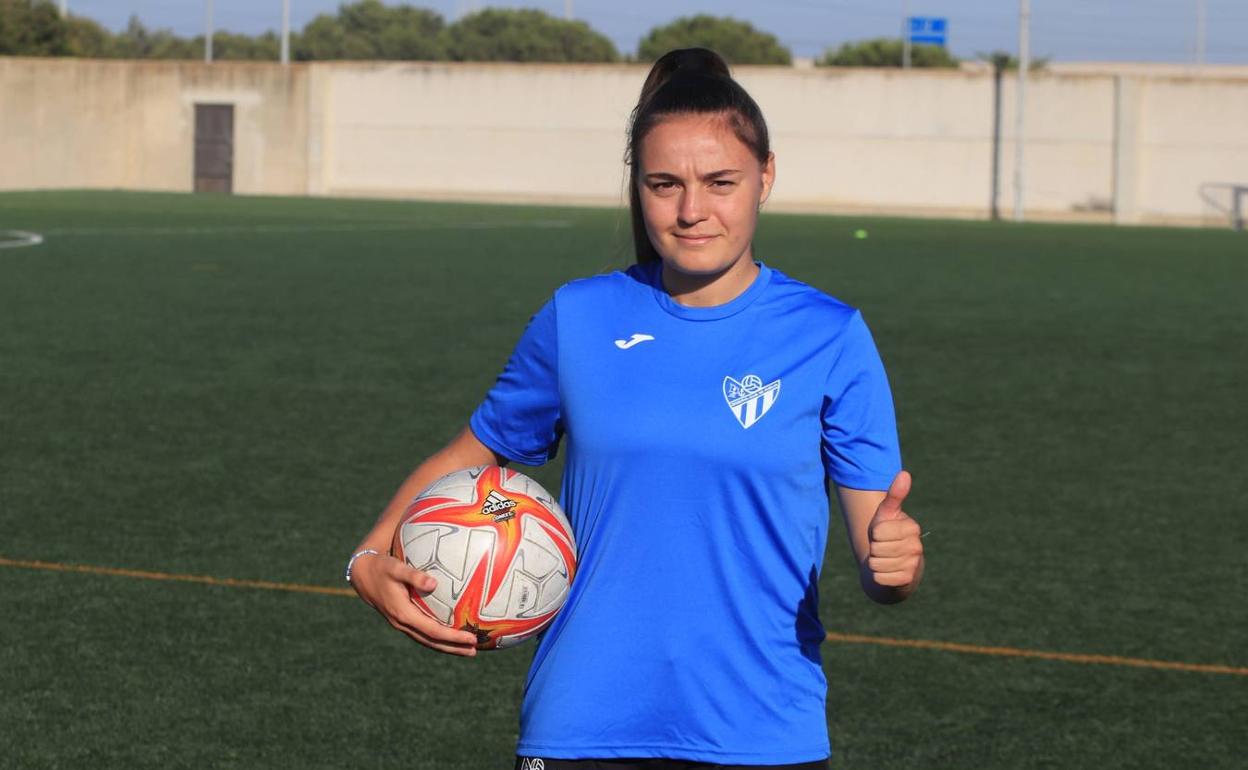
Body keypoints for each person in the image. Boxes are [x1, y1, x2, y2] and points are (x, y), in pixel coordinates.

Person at [347, 48, 925, 770]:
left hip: (761, 731)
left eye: (721, 182)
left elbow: (882, 559)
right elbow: (477, 448)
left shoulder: (829, 335)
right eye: (664, 184)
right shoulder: (580, 316)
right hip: (581, 726)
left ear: (766, 176)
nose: (691, 210)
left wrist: (893, 567)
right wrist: (369, 558)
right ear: (637, 185)